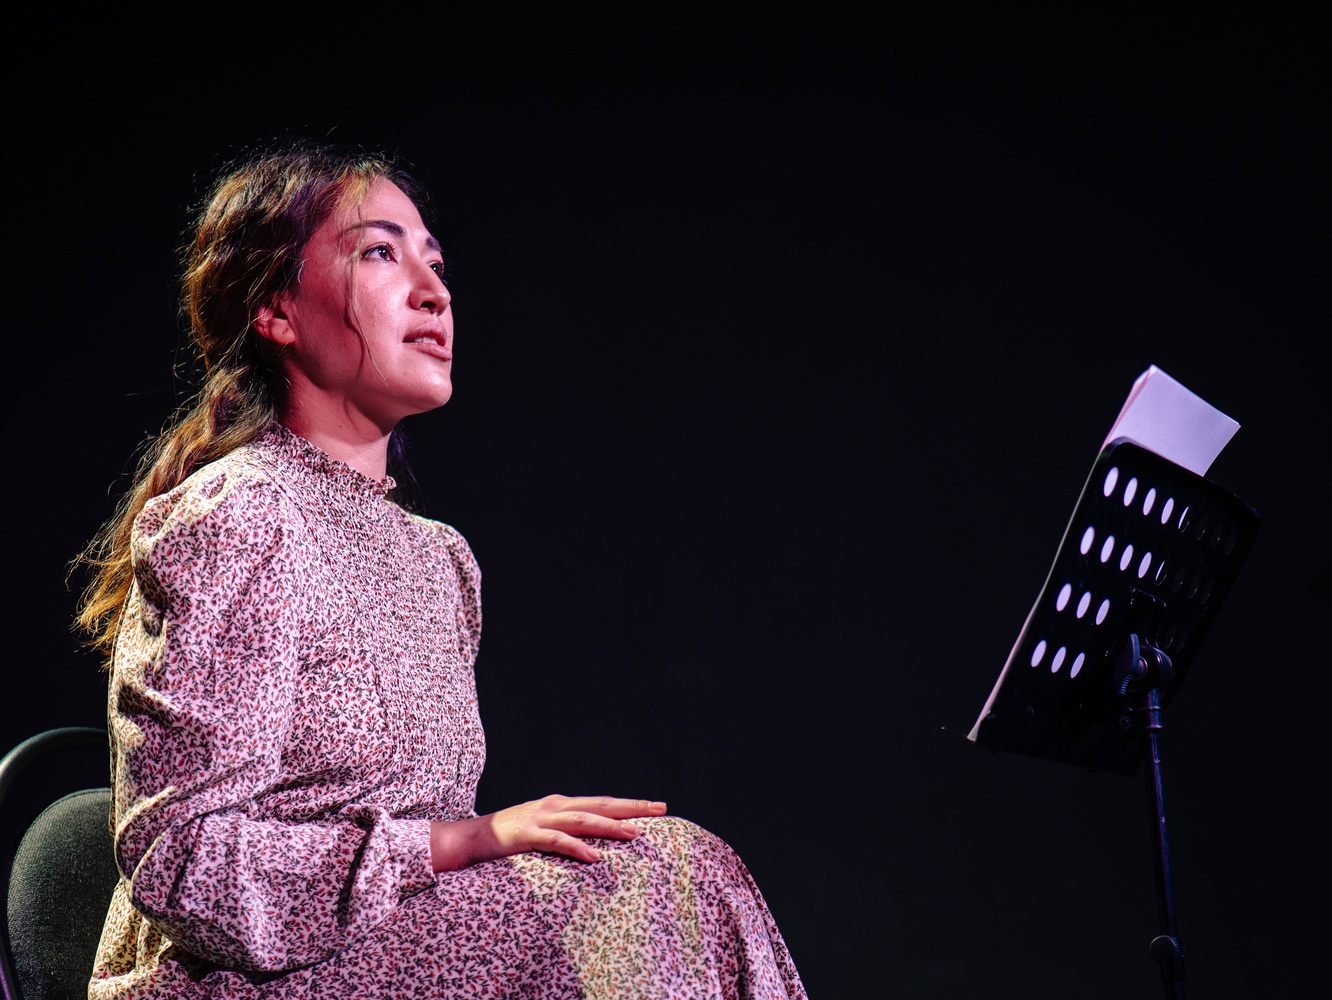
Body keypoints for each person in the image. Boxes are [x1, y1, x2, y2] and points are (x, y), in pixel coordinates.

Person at [74, 141, 807, 999]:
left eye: (437, 263)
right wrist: (459, 842)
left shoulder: (439, 559)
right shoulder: (239, 515)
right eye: (380, 254)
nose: (434, 291)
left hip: (377, 956)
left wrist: (458, 848)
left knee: (661, 868)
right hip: (230, 976)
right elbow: (182, 861)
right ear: (276, 310)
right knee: (661, 882)